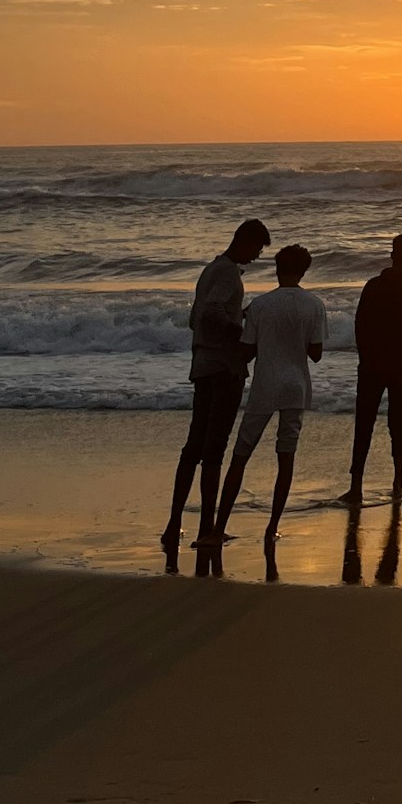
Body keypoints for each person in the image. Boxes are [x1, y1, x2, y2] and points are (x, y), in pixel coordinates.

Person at [161, 217, 271, 568]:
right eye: (256, 249)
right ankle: (208, 525)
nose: (256, 257)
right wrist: (239, 330)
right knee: (214, 450)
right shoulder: (227, 274)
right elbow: (210, 314)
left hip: (203, 365)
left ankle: (174, 521)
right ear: (244, 241)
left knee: (194, 447)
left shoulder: (210, 270)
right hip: (223, 369)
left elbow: (196, 318)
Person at [212, 243, 326, 553]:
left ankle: (219, 527)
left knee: (241, 454)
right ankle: (272, 527)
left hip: (266, 384)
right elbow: (315, 354)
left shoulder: (260, 306)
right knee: (285, 455)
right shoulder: (314, 305)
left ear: (277, 269)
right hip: (296, 386)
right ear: (304, 271)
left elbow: (247, 351)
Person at [341, 232, 402, 502]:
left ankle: (357, 486)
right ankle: (398, 481)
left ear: (393, 253)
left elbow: (359, 324)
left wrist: (364, 356)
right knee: (398, 422)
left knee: (365, 422)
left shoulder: (374, 285)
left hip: (374, 362)